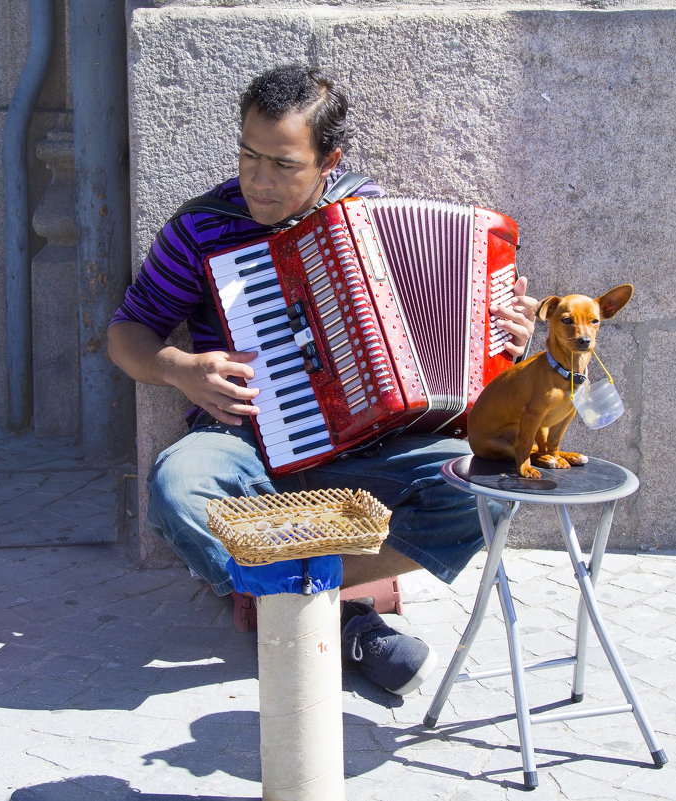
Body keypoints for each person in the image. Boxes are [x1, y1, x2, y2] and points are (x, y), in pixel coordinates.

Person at [107, 64, 537, 696]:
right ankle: (342, 615)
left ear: (329, 160)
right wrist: (180, 368)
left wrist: (505, 334)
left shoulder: (370, 214)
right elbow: (127, 332)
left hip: (369, 447)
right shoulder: (201, 228)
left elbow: (459, 343)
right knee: (176, 490)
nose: (257, 180)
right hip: (243, 438)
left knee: (488, 488)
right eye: (248, 156)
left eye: (283, 164)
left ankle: (293, 595)